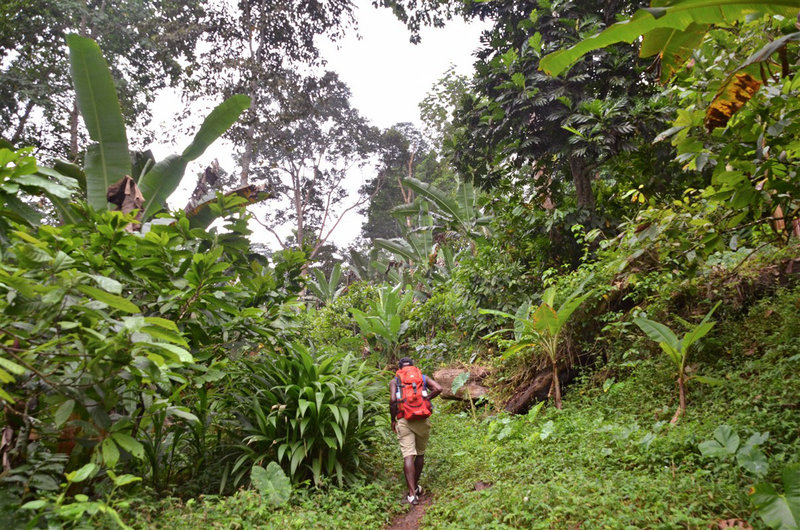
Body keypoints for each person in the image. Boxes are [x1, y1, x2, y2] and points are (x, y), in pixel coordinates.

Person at [389, 357, 442, 505]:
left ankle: (412, 494)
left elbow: (393, 400)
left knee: (408, 456)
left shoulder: (395, 381)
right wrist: (427, 399)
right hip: (422, 420)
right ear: (413, 366)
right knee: (420, 454)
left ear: (399, 368)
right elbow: (439, 388)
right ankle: (416, 487)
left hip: (404, 419)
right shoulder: (422, 377)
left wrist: (393, 419)